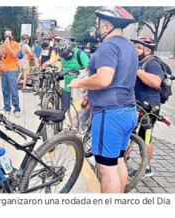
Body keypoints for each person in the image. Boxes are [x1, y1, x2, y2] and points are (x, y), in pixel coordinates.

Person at [69, 6, 137, 193]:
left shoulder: (108, 47)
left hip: (110, 114)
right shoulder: (129, 46)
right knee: (118, 162)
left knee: (106, 170)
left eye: (97, 25)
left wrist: (79, 83)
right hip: (128, 112)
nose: (95, 28)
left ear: (106, 27)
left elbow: (103, 79)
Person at [131, 36, 165, 178]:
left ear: (148, 51)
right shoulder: (138, 62)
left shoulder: (152, 63)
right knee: (130, 133)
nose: (135, 50)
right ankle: (123, 157)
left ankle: (146, 167)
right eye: (135, 47)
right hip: (135, 104)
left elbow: (156, 82)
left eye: (139, 48)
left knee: (145, 138)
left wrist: (138, 70)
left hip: (149, 107)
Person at [56, 38, 89, 132]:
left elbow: (88, 69)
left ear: (71, 49)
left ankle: (81, 129)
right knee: (67, 107)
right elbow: (61, 64)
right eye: (64, 57)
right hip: (67, 86)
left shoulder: (80, 54)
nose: (66, 58)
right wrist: (59, 73)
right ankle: (73, 126)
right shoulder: (63, 56)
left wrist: (77, 71)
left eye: (67, 56)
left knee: (79, 109)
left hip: (79, 88)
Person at [0, 29, 21, 118]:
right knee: (5, 90)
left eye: (9, 34)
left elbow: (15, 55)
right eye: (6, 34)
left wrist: (8, 46)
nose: (7, 36)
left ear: (12, 36)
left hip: (12, 70)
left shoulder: (16, 45)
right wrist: (4, 47)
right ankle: (7, 107)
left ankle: (16, 109)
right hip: (4, 70)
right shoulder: (2, 45)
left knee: (13, 90)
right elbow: (2, 56)